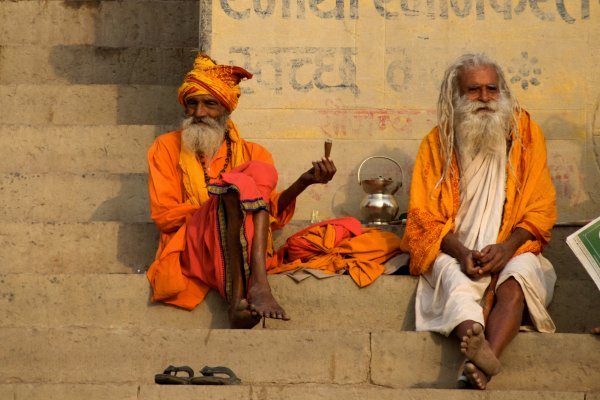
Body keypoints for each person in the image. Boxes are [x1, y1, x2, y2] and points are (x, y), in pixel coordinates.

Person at [146, 53, 336, 328]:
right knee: (237, 189)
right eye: (192, 104)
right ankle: (257, 285)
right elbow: (164, 216)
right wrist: (219, 205)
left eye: (210, 104)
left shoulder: (253, 152)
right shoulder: (165, 147)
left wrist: (303, 183)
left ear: (226, 108)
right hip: (193, 244)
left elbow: (272, 214)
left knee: (258, 172)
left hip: (245, 239)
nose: (199, 113)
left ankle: (239, 301)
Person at [402, 53, 557, 389]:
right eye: (474, 90)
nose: (485, 98)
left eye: (491, 89)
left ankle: (483, 362)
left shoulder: (527, 136)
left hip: (513, 246)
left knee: (519, 279)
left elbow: (541, 209)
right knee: (457, 285)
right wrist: (461, 253)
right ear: (456, 95)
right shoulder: (436, 144)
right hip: (457, 249)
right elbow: (421, 219)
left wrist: (507, 247)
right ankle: (481, 358)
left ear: (502, 91)